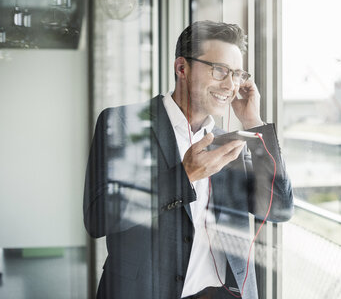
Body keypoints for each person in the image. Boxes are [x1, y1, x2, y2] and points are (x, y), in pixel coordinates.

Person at [83, 20, 293, 299]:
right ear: (182, 68)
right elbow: (98, 218)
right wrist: (184, 176)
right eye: (220, 70)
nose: (230, 85)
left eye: (237, 74)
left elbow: (279, 209)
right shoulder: (123, 123)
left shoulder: (230, 142)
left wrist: (254, 123)